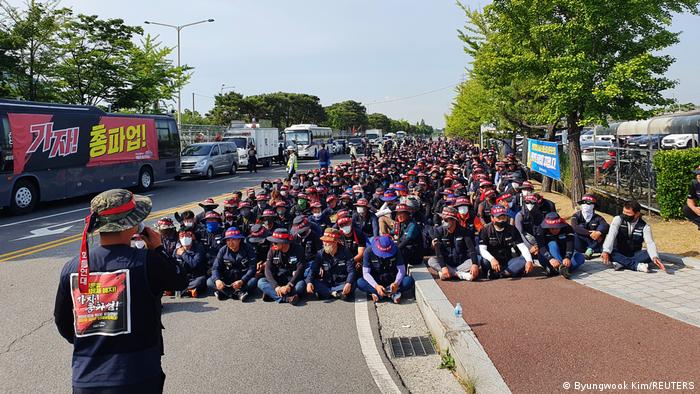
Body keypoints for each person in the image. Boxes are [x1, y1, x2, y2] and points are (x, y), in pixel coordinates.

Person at [53, 189, 187, 393]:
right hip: (138, 376)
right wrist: (158, 248)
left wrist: (94, 339)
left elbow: (63, 322)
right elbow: (179, 280)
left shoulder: (72, 268)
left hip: (86, 379)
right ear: (133, 225)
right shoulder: (148, 262)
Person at [601, 200, 665, 273]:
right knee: (608, 251)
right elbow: (611, 235)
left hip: (634, 253)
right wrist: (606, 251)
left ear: (637, 214)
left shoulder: (645, 226)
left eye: (628, 213)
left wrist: (655, 257)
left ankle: (621, 264)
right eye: (624, 212)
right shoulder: (618, 219)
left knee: (648, 255)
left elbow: (650, 243)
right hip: (618, 251)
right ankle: (637, 266)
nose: (625, 215)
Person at [478, 205, 535, 279]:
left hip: (507, 261)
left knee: (524, 259)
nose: (502, 220)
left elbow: (522, 247)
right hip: (491, 261)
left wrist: (529, 261)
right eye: (499, 218)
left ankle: (500, 274)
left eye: (504, 217)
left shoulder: (512, 229)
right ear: (492, 218)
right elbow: (482, 250)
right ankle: (511, 272)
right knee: (484, 261)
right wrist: (492, 259)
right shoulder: (485, 230)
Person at [357, 235, 414, 304]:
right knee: (360, 282)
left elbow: (401, 270)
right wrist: (376, 286)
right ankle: (387, 293)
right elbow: (366, 273)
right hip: (376, 280)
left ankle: (384, 293)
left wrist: (396, 283)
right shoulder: (368, 251)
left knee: (408, 281)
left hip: (392, 279)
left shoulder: (396, 250)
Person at [428, 207, 480, 281]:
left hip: (461, 263)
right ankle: (458, 274)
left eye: (446, 220)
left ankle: (448, 273)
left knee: (478, 259)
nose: (443, 221)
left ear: (453, 220)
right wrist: (443, 267)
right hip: (446, 263)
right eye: (442, 219)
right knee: (431, 261)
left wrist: (474, 264)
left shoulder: (464, 231)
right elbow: (438, 253)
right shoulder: (438, 231)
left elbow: (472, 249)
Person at [258, 229, 306, 304]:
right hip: (278, 279)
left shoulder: (298, 249)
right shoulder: (272, 250)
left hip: (292, 280)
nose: (273, 244)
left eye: (275, 242)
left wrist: (289, 285)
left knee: (301, 286)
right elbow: (267, 270)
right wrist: (276, 287)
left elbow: (300, 268)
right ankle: (286, 298)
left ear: (283, 242)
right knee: (261, 282)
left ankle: (272, 295)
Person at [306, 228, 356, 300]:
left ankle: (328, 293)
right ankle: (335, 293)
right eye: (324, 241)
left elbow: (351, 271)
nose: (325, 244)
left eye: (327, 241)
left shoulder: (345, 252)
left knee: (353, 283)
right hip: (327, 282)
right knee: (311, 281)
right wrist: (309, 283)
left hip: (341, 282)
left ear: (335, 242)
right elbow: (313, 269)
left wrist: (348, 283)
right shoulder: (320, 253)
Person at [208, 227, 257, 301]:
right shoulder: (223, 250)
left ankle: (225, 293)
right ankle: (237, 293)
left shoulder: (248, 249)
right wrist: (217, 280)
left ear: (239, 240)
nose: (230, 242)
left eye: (233, 239)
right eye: (228, 240)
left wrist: (242, 280)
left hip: (242, 279)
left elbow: (252, 268)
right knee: (209, 281)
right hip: (227, 280)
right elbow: (215, 268)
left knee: (253, 281)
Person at [536, 212, 585, 279]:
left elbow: (570, 243)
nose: (554, 230)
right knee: (553, 244)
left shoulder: (567, 228)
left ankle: (560, 269)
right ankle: (561, 268)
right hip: (547, 256)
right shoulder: (540, 229)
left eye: (557, 228)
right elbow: (541, 246)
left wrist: (567, 257)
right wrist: (551, 259)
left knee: (580, 257)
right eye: (551, 228)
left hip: (563, 255)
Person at [570, 194, 609, 258]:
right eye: (583, 203)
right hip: (580, 244)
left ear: (593, 206)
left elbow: (605, 225)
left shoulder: (598, 217)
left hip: (594, 243)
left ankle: (591, 249)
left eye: (589, 204)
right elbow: (575, 227)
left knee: (601, 230)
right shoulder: (576, 216)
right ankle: (590, 248)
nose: (586, 205)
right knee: (580, 227)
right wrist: (592, 233)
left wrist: (598, 232)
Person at [174, 229, 208, 297]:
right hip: (182, 278)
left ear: (191, 237)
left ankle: (180, 290)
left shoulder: (199, 248)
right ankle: (187, 291)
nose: (184, 238)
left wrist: (183, 254)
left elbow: (194, 264)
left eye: (187, 236)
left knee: (202, 280)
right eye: (182, 236)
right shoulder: (177, 250)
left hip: (195, 277)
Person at [682, 165, 700, 230]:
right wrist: (695, 209)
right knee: (686, 209)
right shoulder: (695, 184)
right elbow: (689, 200)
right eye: (697, 173)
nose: (698, 176)